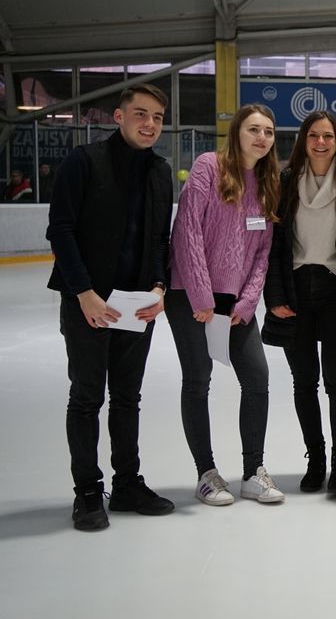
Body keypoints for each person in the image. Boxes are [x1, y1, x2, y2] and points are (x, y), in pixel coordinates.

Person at [46, 83, 175, 531]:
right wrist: (83, 292)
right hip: (88, 302)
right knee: (86, 398)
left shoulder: (160, 172)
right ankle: (87, 491)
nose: (150, 124)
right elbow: (60, 230)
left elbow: (161, 238)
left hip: (136, 304)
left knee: (127, 398)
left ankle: (126, 485)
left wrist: (160, 287)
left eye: (158, 117)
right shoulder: (84, 162)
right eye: (141, 114)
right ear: (119, 117)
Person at [167, 103, 284, 507]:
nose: (262, 138)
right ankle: (207, 473)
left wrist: (248, 302)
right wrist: (201, 297)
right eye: (254, 129)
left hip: (236, 303)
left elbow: (262, 253)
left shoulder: (268, 182)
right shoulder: (208, 167)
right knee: (198, 380)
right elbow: (188, 232)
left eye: (269, 131)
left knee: (257, 377)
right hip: (191, 298)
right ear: (236, 132)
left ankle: (253, 472)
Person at [264, 110, 336, 495]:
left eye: (328, 136)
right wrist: (275, 295)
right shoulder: (284, 179)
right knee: (303, 383)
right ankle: (316, 460)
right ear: (303, 139)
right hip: (296, 291)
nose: (321, 143)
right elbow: (273, 247)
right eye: (314, 135)